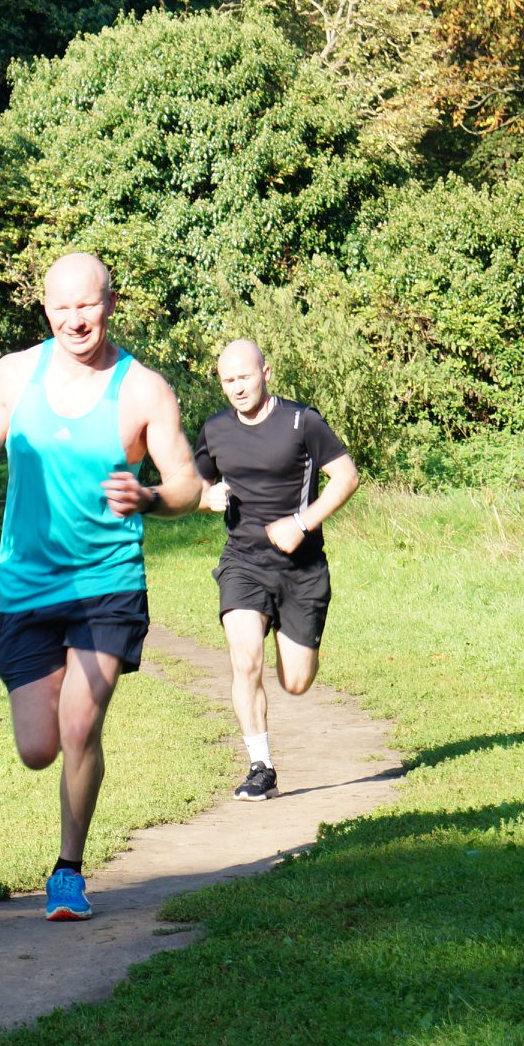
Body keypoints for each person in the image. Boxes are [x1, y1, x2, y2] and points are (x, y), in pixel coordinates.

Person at [0, 253, 200, 921]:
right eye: (61, 307)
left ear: (110, 304)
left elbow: (186, 484)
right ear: (44, 310)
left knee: (80, 723)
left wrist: (148, 496)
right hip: (28, 585)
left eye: (86, 305)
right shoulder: (13, 375)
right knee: (38, 748)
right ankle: (62, 814)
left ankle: (67, 870)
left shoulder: (142, 389)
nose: (74, 319)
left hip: (106, 583)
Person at [193, 339, 360, 802]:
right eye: (228, 380)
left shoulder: (301, 421)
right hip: (243, 562)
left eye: (245, 377)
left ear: (266, 372)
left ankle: (296, 638)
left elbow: (347, 476)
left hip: (301, 568)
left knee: (296, 681)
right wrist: (203, 496)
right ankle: (260, 765)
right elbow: (192, 482)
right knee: (244, 661)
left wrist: (303, 522)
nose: (237, 388)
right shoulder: (216, 429)